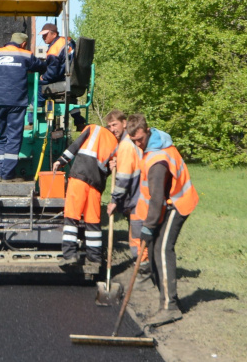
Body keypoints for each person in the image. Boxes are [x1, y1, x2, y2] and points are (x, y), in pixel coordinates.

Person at [127, 117, 198, 326]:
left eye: (139, 140)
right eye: (133, 141)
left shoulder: (158, 159)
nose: (137, 144)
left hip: (178, 203)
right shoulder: (151, 145)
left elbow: (156, 198)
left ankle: (170, 307)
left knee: (163, 249)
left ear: (147, 131)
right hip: (166, 204)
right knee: (157, 248)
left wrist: (148, 227)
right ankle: (166, 300)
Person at [0, 32, 48, 181]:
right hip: (16, 102)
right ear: (23, 43)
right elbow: (41, 66)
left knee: (3, 135)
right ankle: (7, 174)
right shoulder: (26, 54)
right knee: (14, 136)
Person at [52, 115, 119, 268]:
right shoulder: (117, 144)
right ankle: (94, 257)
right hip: (96, 184)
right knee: (93, 220)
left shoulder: (92, 128)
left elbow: (74, 147)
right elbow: (110, 170)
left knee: (72, 216)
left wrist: (61, 161)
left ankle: (69, 255)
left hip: (79, 177)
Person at [104, 110, 143, 257]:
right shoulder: (129, 142)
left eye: (115, 124)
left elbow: (124, 177)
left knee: (137, 239)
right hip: (137, 196)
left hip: (137, 198)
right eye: (109, 126)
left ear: (124, 123)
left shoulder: (126, 144)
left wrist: (114, 200)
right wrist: (118, 163)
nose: (112, 129)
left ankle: (142, 271)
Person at [38, 22, 81, 126]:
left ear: (54, 34)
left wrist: (43, 77)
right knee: (70, 98)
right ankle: (78, 119)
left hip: (62, 79)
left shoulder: (54, 48)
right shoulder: (69, 41)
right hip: (74, 79)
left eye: (46, 35)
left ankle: (32, 120)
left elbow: (52, 73)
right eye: (43, 35)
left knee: (39, 87)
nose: (44, 38)